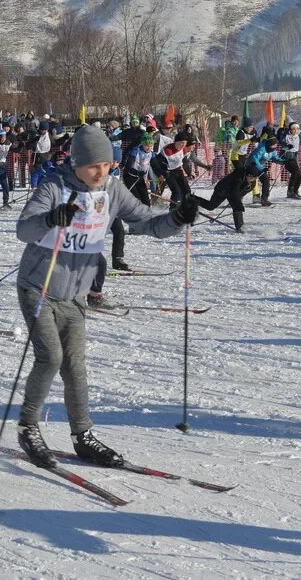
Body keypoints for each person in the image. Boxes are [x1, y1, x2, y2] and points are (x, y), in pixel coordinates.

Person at [13, 125, 194, 469]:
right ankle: (28, 426)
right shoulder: (55, 186)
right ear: (77, 162)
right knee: (50, 358)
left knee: (75, 368)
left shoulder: (112, 188)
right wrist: (52, 218)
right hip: (39, 287)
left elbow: (146, 222)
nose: (102, 171)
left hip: (76, 295)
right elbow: (25, 229)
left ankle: (83, 436)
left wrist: (177, 219)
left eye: (107, 164)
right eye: (94, 165)